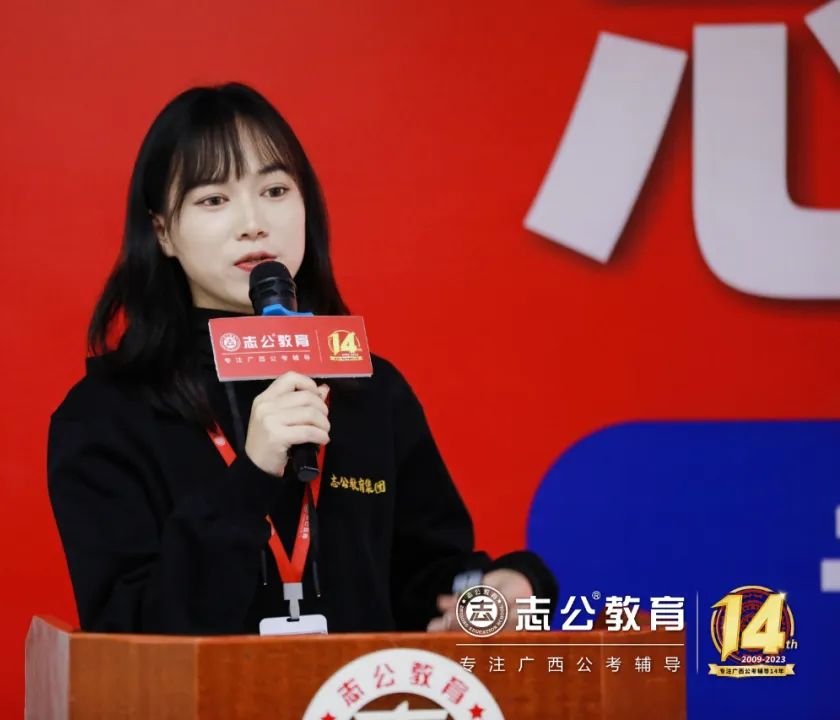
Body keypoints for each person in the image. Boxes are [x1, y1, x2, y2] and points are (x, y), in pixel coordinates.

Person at [46, 82, 557, 635]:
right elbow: (128, 633)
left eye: (275, 190)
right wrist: (252, 476)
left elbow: (424, 587)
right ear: (163, 232)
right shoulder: (105, 416)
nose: (252, 222)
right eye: (214, 199)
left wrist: (504, 586)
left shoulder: (369, 390)